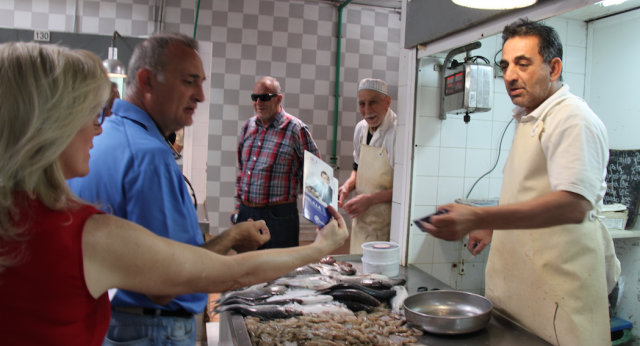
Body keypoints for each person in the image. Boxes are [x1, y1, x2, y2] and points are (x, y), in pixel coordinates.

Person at [0, 42, 348, 346]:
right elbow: (221, 275)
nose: (98, 125)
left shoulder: (20, 217)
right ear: (47, 125)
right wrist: (319, 248)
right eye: (89, 113)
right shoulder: (84, 231)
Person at [66, 34, 286, 345]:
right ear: (147, 81)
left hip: (108, 323)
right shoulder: (149, 156)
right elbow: (167, 282)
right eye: (189, 81)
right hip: (152, 331)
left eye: (202, 82)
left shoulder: (100, 137)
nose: (200, 96)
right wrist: (233, 237)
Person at [418, 19, 621, 346]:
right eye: (506, 65)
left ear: (554, 68)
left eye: (523, 64)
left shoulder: (573, 118)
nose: (510, 75)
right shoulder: (528, 117)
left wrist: (479, 216)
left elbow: (573, 204)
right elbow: (531, 192)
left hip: (559, 299)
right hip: (521, 292)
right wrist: (494, 227)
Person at [232, 76, 321, 249]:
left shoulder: (296, 129)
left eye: (264, 97)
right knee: (244, 269)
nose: (258, 102)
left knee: (279, 272)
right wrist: (238, 208)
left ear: (278, 99)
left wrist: (321, 219)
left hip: (278, 217)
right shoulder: (248, 127)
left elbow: (316, 175)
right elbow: (243, 171)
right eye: (254, 97)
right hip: (247, 213)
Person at [338, 78, 397, 254]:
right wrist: (347, 186)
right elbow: (357, 169)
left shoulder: (398, 132)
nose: (367, 110)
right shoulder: (360, 129)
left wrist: (370, 200)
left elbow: (404, 191)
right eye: (362, 104)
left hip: (385, 224)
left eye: (373, 102)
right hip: (361, 220)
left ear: (387, 102)